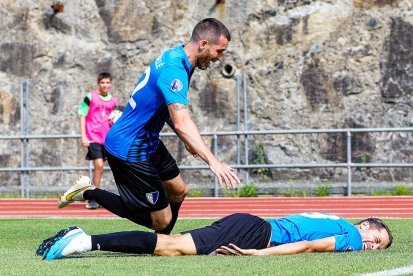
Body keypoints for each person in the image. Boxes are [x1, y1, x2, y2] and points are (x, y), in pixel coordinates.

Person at [57, 18, 240, 233]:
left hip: (148, 140)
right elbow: (182, 122)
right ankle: (89, 192)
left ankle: (165, 241)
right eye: (219, 51)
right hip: (129, 146)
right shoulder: (175, 70)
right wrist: (213, 162)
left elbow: (166, 109)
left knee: (179, 191)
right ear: (203, 45)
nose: (220, 58)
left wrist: (187, 140)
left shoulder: (176, 56)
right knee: (160, 219)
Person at [36, 212, 393, 260]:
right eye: (376, 237)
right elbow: (312, 245)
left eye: (379, 246)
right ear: (364, 225)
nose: (373, 245)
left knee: (170, 247)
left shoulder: (338, 222)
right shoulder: (349, 234)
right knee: (172, 247)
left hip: (253, 226)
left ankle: (86, 238)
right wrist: (260, 255)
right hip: (256, 232)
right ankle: (85, 240)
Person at [78, 72, 118, 209]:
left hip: (107, 139)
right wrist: (84, 136)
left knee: (101, 168)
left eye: (107, 82)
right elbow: (82, 115)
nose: (105, 85)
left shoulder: (113, 101)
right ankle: (93, 197)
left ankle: (95, 196)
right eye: (102, 82)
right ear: (98, 83)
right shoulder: (90, 97)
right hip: (93, 137)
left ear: (111, 83)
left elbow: (115, 119)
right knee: (99, 165)